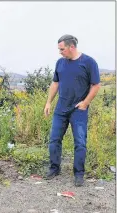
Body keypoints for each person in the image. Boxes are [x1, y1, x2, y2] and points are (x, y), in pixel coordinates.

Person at [44, 34, 101, 186]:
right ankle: (54, 168)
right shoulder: (60, 63)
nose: (60, 52)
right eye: (59, 49)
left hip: (78, 110)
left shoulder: (88, 62)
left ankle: (79, 174)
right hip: (61, 109)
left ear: (72, 47)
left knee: (80, 142)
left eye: (62, 49)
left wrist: (85, 103)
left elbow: (96, 85)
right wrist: (48, 102)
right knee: (54, 139)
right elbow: (55, 83)